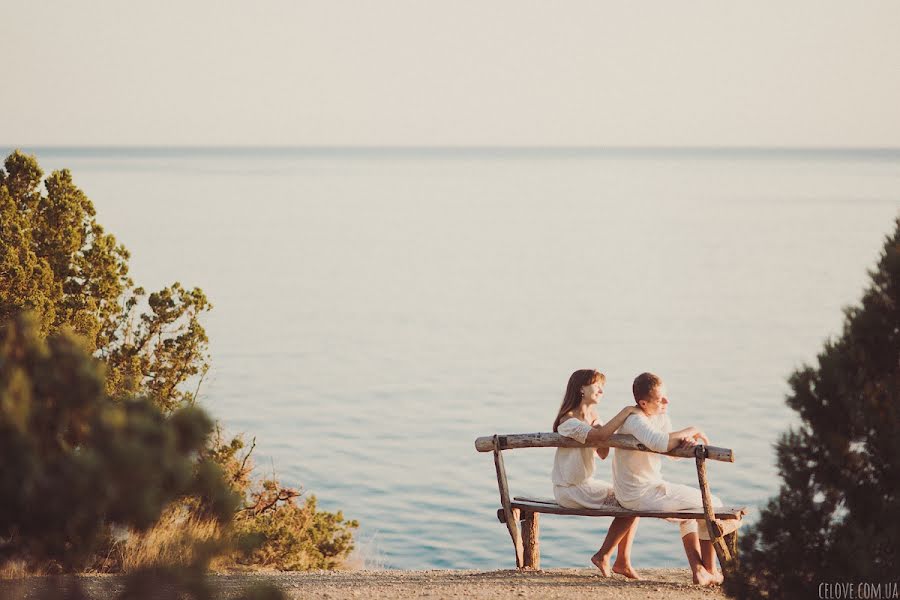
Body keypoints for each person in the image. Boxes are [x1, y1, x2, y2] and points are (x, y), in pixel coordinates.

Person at [611, 372, 740, 586]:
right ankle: (707, 570)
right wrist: (694, 429)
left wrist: (684, 443)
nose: (666, 401)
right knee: (712, 505)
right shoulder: (635, 420)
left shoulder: (661, 417)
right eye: (660, 398)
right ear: (643, 403)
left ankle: (703, 570)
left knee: (696, 508)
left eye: (666, 395)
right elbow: (660, 442)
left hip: (652, 486)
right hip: (636, 491)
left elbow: (668, 450)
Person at [552, 369, 643, 579]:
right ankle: (604, 556)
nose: (601, 390)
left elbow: (602, 452)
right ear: (581, 389)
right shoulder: (568, 421)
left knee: (633, 499)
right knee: (631, 502)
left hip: (586, 484)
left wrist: (598, 426)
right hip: (570, 489)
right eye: (597, 385)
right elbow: (601, 437)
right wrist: (626, 411)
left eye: (603, 386)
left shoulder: (591, 417)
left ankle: (622, 562)